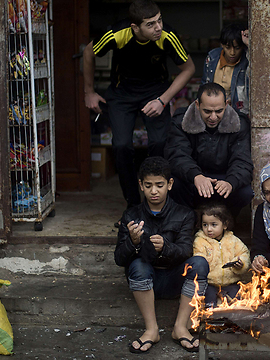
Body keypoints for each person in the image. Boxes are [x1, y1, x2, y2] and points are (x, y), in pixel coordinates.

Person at [83, 0, 195, 220]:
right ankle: (133, 205)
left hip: (156, 92)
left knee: (159, 144)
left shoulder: (166, 36)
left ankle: (159, 204)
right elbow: (88, 52)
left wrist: (162, 101)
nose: (158, 27)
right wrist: (89, 92)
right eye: (151, 24)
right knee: (122, 146)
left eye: (160, 20)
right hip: (121, 92)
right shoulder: (118, 34)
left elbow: (188, 68)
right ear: (136, 27)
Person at [113, 156, 209, 354]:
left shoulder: (184, 214)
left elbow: (185, 251)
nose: (154, 191)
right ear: (140, 185)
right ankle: (151, 329)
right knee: (138, 264)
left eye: (159, 185)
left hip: (176, 280)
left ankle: (180, 327)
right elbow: (119, 259)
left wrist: (165, 246)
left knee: (199, 263)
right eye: (148, 185)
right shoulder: (131, 215)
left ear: (170, 184)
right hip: (146, 280)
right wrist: (133, 242)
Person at [165, 82, 254, 218]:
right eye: (207, 111)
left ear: (227, 104)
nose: (213, 117)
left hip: (223, 181)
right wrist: (196, 176)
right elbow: (177, 155)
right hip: (194, 180)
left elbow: (242, 161)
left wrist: (231, 182)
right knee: (173, 184)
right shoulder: (181, 121)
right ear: (197, 105)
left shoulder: (239, 123)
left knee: (245, 192)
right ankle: (188, 220)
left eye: (219, 111)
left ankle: (225, 221)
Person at [193, 203, 250, 308]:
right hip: (210, 283)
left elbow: (243, 253)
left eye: (214, 225)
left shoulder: (233, 240)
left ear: (225, 225)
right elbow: (198, 259)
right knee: (209, 303)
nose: (209, 229)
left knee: (237, 301)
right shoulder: (200, 241)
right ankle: (211, 318)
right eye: (205, 224)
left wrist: (240, 263)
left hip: (231, 282)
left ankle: (231, 319)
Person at [201, 23, 250, 116]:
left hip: (238, 113)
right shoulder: (212, 58)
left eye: (237, 48)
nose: (232, 53)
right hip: (213, 112)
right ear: (222, 45)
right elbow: (204, 86)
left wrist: (249, 43)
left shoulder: (246, 60)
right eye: (228, 47)